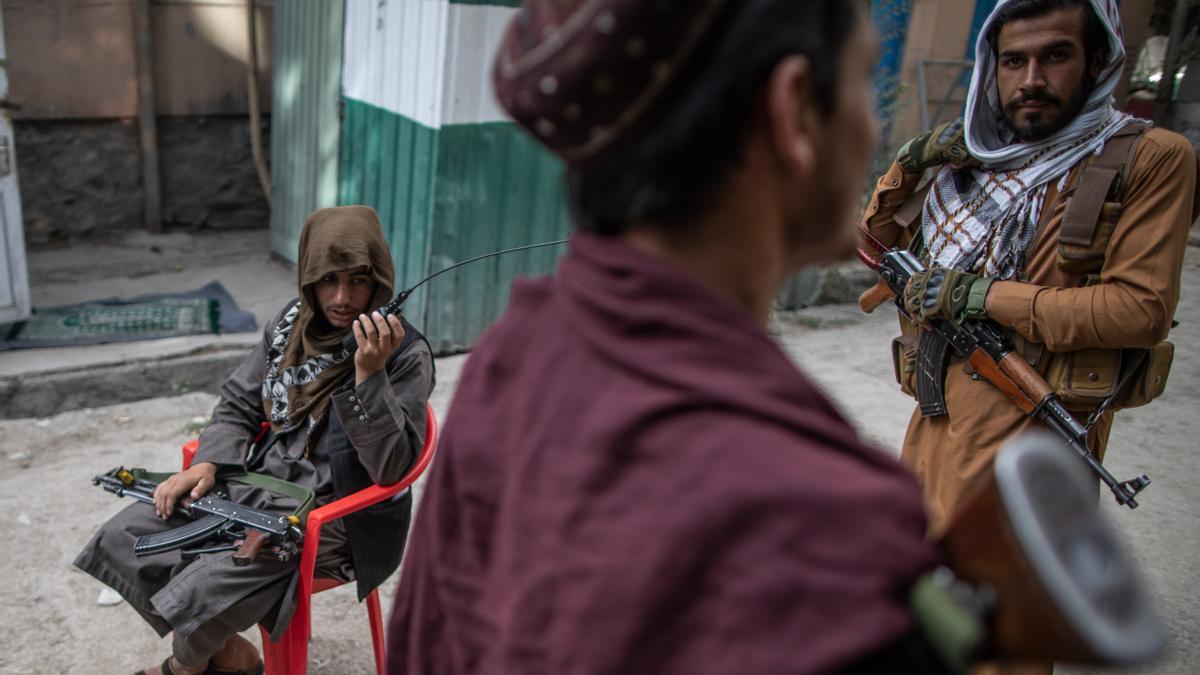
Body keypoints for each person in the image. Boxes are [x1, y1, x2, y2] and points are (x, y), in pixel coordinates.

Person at [388, 2, 946, 673]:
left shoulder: (512, 355)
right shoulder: (826, 524)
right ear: (794, 109)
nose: (873, 126)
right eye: (863, 78)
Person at [863, 2, 1196, 671]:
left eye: (1056, 56)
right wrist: (912, 159)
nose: (1031, 79)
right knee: (917, 602)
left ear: (1098, 60)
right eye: (1014, 61)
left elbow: (1139, 309)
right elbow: (874, 243)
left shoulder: (1152, 157)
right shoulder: (977, 151)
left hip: (1031, 426)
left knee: (1000, 638)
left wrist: (982, 294)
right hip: (934, 419)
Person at [75, 206, 434, 675]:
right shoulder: (289, 327)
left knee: (208, 583)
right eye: (328, 280)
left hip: (338, 517)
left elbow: (391, 468)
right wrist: (206, 463)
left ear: (380, 282)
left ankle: (184, 669)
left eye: (359, 281)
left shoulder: (404, 354)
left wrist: (369, 376)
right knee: (129, 534)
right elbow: (239, 403)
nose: (343, 297)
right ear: (308, 278)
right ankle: (231, 655)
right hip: (258, 485)